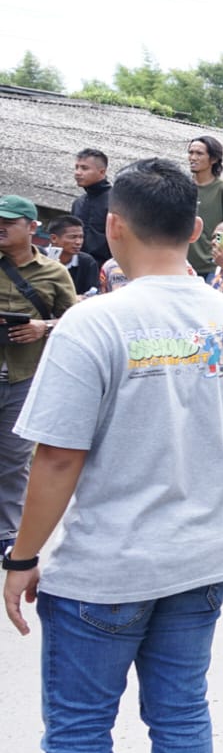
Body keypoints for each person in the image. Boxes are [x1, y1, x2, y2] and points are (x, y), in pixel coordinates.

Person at [2, 158, 223, 753]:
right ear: (195, 229)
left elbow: (56, 461)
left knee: (79, 731)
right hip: (203, 565)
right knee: (181, 715)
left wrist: (21, 558)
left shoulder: (94, 323)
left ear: (113, 226)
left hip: (106, 572)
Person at [0, 194, 77, 556]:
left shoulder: (54, 272)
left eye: (8, 222)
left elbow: (73, 321)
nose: (0, 227)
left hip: (24, 378)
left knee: (13, 460)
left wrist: (41, 327)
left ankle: (6, 533)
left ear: (32, 227)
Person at [185, 136, 223, 280]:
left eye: (199, 153)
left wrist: (217, 256)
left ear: (213, 159)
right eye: (191, 152)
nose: (193, 157)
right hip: (180, 265)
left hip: (210, 269)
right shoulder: (181, 186)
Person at [69, 148, 112, 270]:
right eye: (76, 167)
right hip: (77, 268)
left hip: (106, 270)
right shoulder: (78, 203)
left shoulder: (117, 202)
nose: (78, 172)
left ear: (102, 172)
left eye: (84, 168)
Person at [45, 216, 98, 295]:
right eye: (73, 237)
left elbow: (92, 291)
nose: (78, 242)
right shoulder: (38, 257)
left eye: (81, 237)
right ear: (54, 238)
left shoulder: (87, 262)